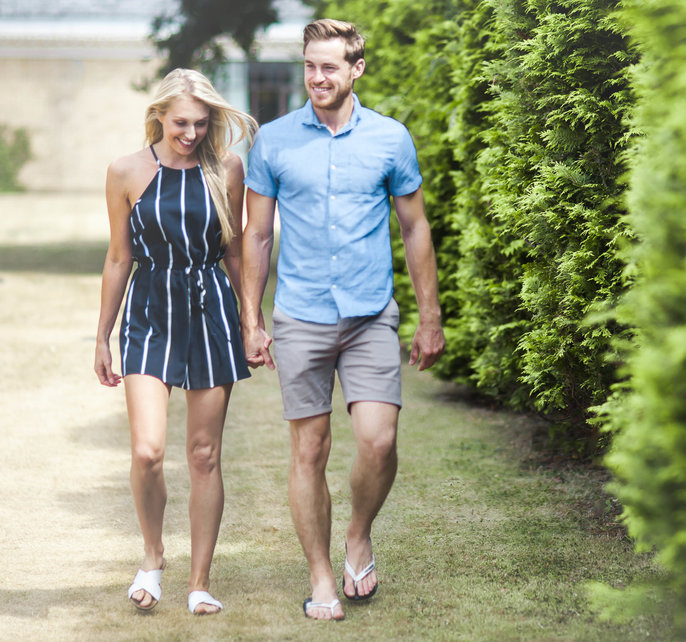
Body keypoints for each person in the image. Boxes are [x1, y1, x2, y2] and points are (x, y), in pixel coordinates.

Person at [240, 18, 446, 621]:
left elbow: (415, 227)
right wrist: (252, 319)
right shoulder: (274, 141)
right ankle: (322, 575)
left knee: (379, 442)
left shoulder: (390, 138)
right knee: (309, 449)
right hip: (301, 316)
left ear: (356, 69)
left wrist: (428, 316)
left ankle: (358, 532)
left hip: (368, 316)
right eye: (309, 66)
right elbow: (256, 236)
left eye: (329, 67)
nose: (317, 78)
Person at [94, 68, 258, 615]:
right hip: (148, 313)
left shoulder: (226, 169)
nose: (191, 133)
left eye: (201, 123)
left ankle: (200, 582)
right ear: (160, 114)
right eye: (181, 122)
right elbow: (119, 258)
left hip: (211, 310)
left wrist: (252, 320)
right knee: (148, 452)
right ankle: (152, 555)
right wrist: (102, 336)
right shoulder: (125, 171)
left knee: (205, 455)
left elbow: (235, 252)